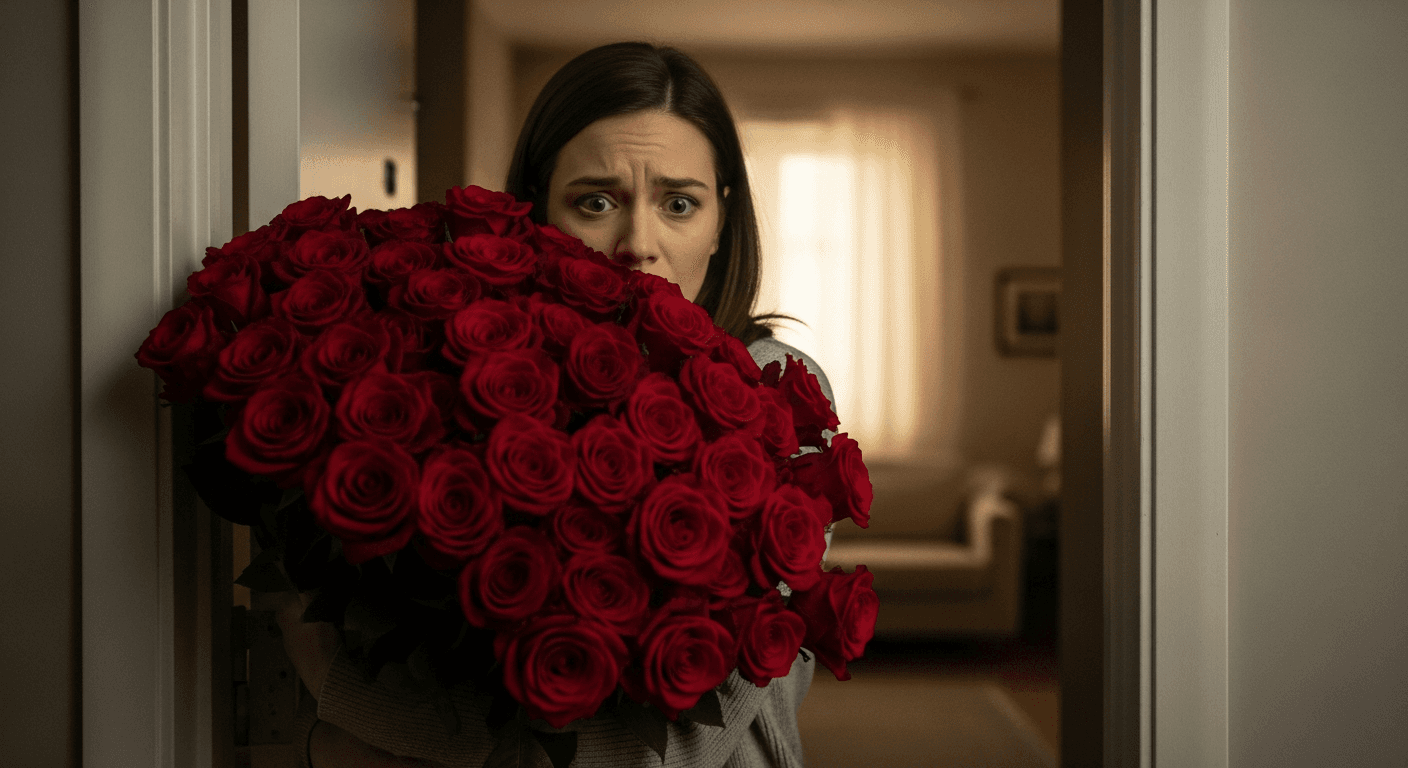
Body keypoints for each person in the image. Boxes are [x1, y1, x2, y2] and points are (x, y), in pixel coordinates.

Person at [278, 41, 836, 768]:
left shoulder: (779, 385)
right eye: (596, 201)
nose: (638, 243)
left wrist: (343, 714)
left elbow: (673, 751)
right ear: (537, 211)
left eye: (678, 203)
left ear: (722, 220)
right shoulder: (481, 389)